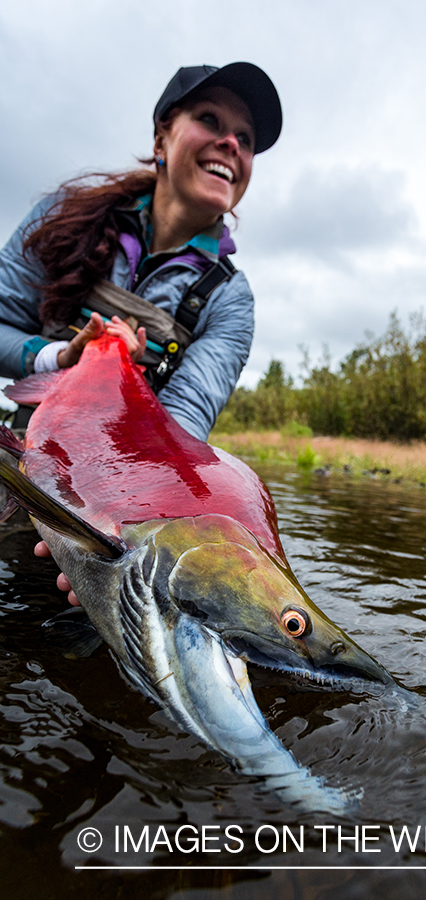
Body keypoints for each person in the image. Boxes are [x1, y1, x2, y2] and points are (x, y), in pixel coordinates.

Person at [0, 62, 282, 605]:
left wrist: (125, 530)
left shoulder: (230, 300)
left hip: (114, 507)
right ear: (161, 138)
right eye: (209, 120)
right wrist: (60, 357)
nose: (230, 143)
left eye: (245, 140)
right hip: (26, 464)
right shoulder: (62, 219)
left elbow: (182, 427)